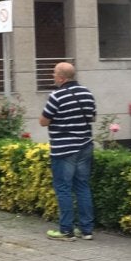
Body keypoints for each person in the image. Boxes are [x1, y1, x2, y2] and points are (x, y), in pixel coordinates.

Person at [39, 62, 96, 241]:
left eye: (54, 73)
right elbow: (93, 117)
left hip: (64, 149)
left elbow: (43, 121)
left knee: (63, 188)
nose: (53, 76)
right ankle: (86, 230)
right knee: (82, 186)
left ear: (62, 77)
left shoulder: (56, 95)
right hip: (85, 145)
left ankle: (66, 230)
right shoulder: (87, 93)